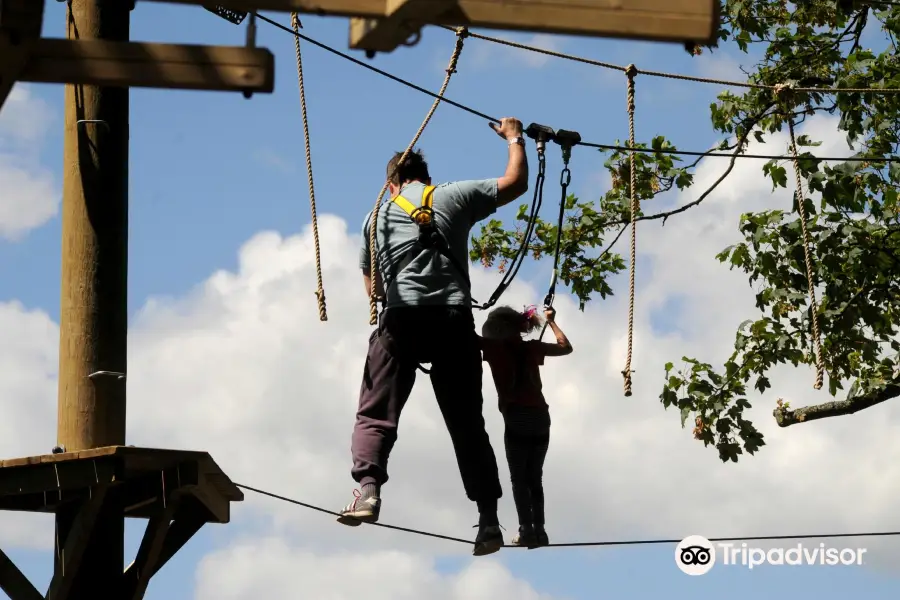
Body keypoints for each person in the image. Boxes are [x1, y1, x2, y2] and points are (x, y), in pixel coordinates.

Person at [339, 117, 531, 557]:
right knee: (467, 426)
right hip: (451, 321)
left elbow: (373, 291)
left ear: (391, 186)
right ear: (426, 179)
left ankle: (368, 490)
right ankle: (488, 522)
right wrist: (514, 138)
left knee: (375, 413)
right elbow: (515, 182)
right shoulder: (451, 195)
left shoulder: (375, 217)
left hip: (401, 323)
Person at [479, 305, 572, 548]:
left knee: (519, 479)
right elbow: (565, 347)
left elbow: (465, 339)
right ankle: (540, 530)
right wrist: (551, 322)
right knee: (535, 478)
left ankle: (526, 529)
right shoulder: (531, 348)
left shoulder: (494, 348)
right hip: (541, 418)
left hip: (517, 418)